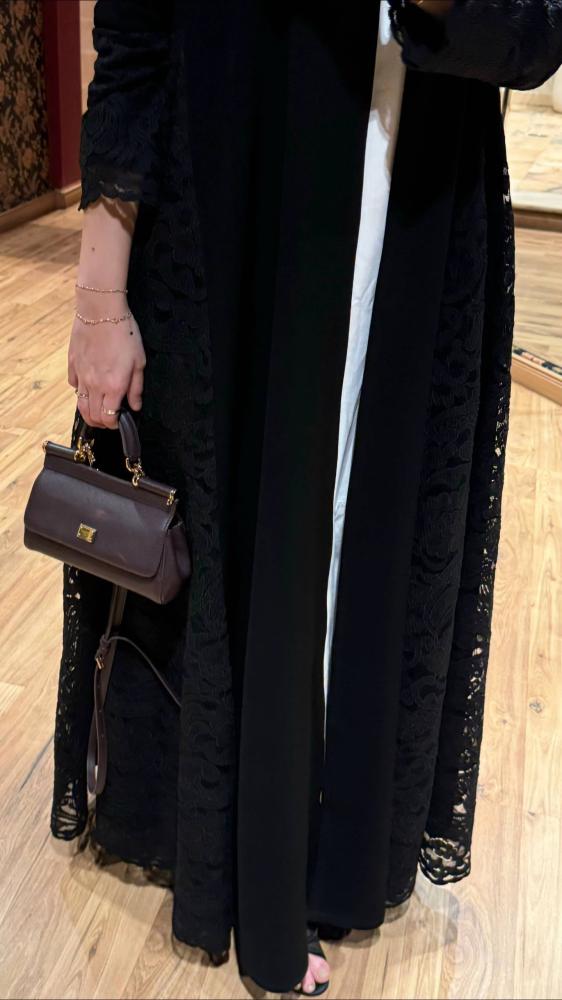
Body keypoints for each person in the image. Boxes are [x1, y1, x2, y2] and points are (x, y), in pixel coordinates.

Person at [55, 1, 562, 995]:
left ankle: (332, 853)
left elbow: (535, 38)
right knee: (244, 539)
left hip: (413, 212)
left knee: (365, 542)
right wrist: (98, 298)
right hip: (231, 207)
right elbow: (137, 35)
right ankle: (248, 862)